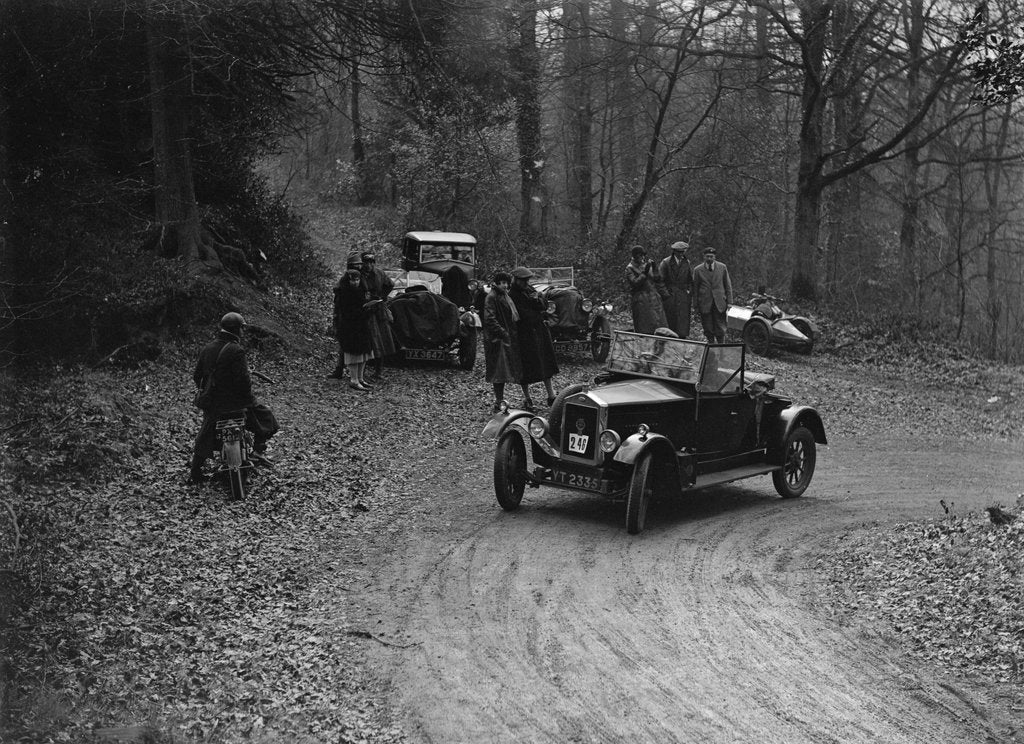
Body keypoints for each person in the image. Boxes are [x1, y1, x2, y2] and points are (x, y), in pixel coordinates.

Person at [189, 312, 277, 483]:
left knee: (205, 434)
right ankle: (258, 450)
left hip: (214, 404)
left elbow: (197, 376)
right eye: (241, 329)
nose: (243, 333)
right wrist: (249, 399)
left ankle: (195, 471)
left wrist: (208, 391)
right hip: (235, 404)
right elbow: (243, 382)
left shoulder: (207, 349)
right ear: (236, 330)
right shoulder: (237, 350)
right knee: (265, 416)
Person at [509, 267, 559, 408]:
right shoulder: (512, 294)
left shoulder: (530, 289)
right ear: (516, 280)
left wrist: (537, 300)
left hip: (538, 331)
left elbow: (543, 306)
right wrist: (535, 310)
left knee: (545, 362)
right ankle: (527, 398)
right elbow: (521, 314)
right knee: (525, 366)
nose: (526, 282)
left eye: (527, 280)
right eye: (523, 280)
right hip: (523, 334)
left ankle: (551, 395)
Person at [482, 271, 528, 413]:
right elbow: (490, 318)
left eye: (506, 283)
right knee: (499, 372)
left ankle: (500, 400)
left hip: (505, 337)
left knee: (503, 370)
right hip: (497, 339)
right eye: (502, 283)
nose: (505, 285)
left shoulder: (504, 296)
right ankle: (498, 401)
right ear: (496, 283)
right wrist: (503, 333)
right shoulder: (492, 297)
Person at [334, 268, 376, 391]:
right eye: (353, 280)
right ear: (348, 281)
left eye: (357, 280)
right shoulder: (344, 293)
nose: (355, 282)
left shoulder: (361, 290)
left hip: (362, 326)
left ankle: (360, 378)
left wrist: (370, 308)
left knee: (364, 352)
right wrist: (363, 311)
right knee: (353, 353)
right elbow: (347, 312)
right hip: (350, 327)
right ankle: (354, 379)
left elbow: (363, 306)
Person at [359, 251, 397, 378]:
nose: (368, 265)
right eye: (366, 262)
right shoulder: (359, 274)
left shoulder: (379, 273)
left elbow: (390, 284)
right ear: (362, 262)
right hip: (364, 310)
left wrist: (381, 296)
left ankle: (379, 370)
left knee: (381, 340)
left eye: (371, 262)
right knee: (364, 340)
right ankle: (360, 372)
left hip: (379, 310)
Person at [692, 245, 733, 343]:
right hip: (705, 303)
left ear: (715, 257)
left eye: (711, 256)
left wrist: (730, 301)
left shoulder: (722, 267)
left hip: (720, 303)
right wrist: (695, 305)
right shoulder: (697, 270)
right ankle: (711, 347)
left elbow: (728, 285)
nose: (709, 258)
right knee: (708, 327)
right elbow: (695, 288)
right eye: (707, 256)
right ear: (704, 256)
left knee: (720, 327)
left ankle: (721, 347)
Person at [625, 245, 667, 334]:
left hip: (653, 297)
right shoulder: (630, 268)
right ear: (635, 256)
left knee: (659, 324)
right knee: (644, 327)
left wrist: (655, 269)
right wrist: (644, 273)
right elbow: (635, 283)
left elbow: (657, 279)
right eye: (640, 255)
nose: (642, 258)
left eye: (643, 255)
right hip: (640, 299)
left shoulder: (646, 265)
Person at [659, 241, 693, 338]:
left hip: (682, 297)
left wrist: (688, 292)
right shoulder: (666, 262)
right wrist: (665, 294)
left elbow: (690, 280)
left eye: (682, 252)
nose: (681, 254)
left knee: (682, 324)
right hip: (670, 296)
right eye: (678, 252)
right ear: (674, 252)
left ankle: (681, 340)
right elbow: (659, 281)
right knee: (669, 323)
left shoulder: (687, 263)